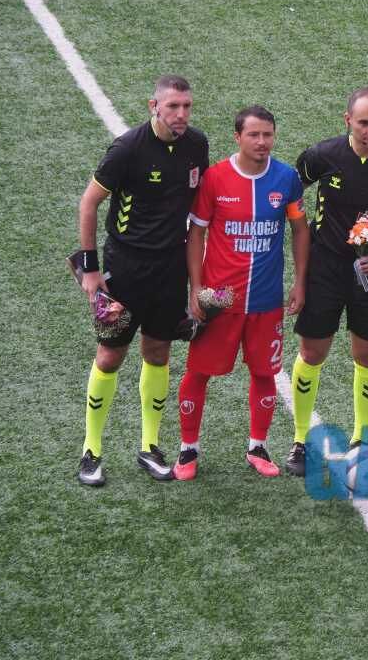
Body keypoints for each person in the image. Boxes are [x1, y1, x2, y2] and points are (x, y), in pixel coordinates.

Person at [76, 75, 209, 487]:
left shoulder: (197, 145)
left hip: (169, 269)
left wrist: (198, 278)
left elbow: (199, 211)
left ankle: (149, 446)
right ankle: (91, 450)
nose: (181, 114)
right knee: (109, 356)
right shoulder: (127, 149)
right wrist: (90, 268)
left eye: (186, 106)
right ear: (154, 106)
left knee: (157, 353)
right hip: (126, 268)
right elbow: (89, 203)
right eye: (173, 107)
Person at [285, 87, 368, 475]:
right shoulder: (321, 156)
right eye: (364, 123)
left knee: (366, 355)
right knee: (312, 353)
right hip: (324, 270)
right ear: (348, 120)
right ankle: (300, 440)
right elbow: (291, 192)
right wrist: (302, 228)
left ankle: (361, 438)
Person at [172, 106, 309, 480]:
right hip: (219, 299)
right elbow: (196, 233)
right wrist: (196, 288)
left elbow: (300, 230)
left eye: (268, 134)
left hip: (266, 298)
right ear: (238, 137)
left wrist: (300, 281)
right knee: (198, 372)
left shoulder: (286, 178)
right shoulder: (215, 178)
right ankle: (188, 449)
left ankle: (257, 447)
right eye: (254, 135)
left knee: (265, 373)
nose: (262, 142)